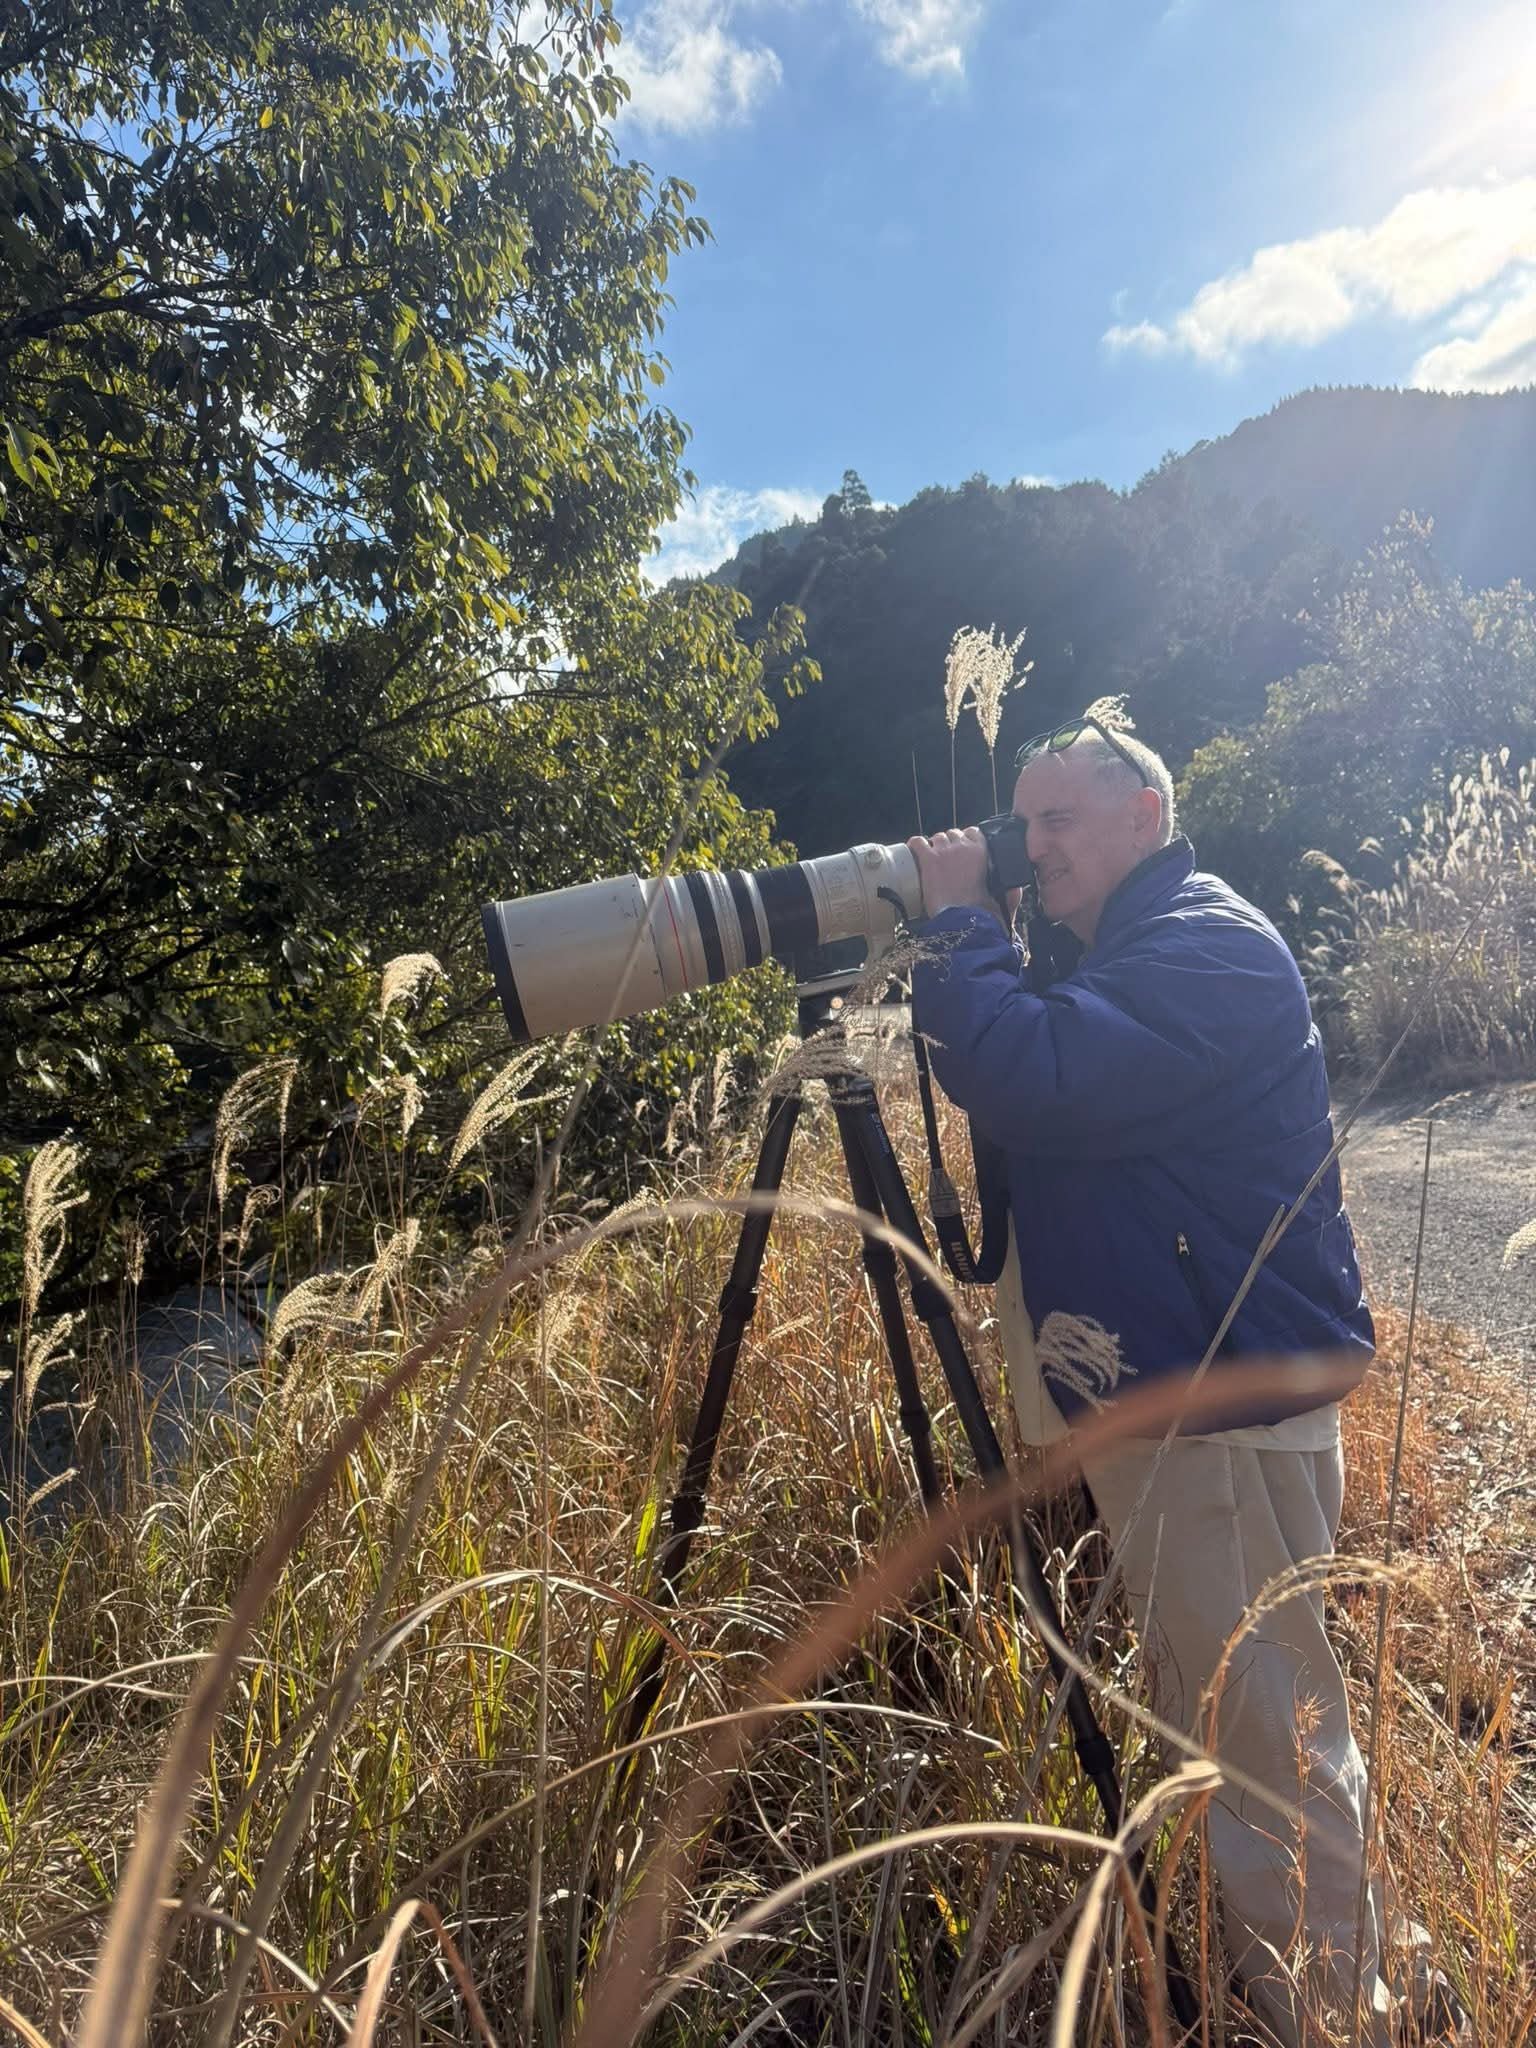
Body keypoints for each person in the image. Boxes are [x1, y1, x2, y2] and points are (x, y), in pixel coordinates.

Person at [905, 715, 1402, 2048]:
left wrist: (961, 928)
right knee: (1240, 1719)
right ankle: (1300, 1982)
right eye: (1021, 823)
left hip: (1221, 1413)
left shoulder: (1207, 947)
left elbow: (1037, 1071)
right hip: (1188, 1403)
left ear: (1147, 815)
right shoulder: (1129, 949)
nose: (1031, 845)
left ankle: (1332, 2019)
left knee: (1273, 1753)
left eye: (1058, 818)